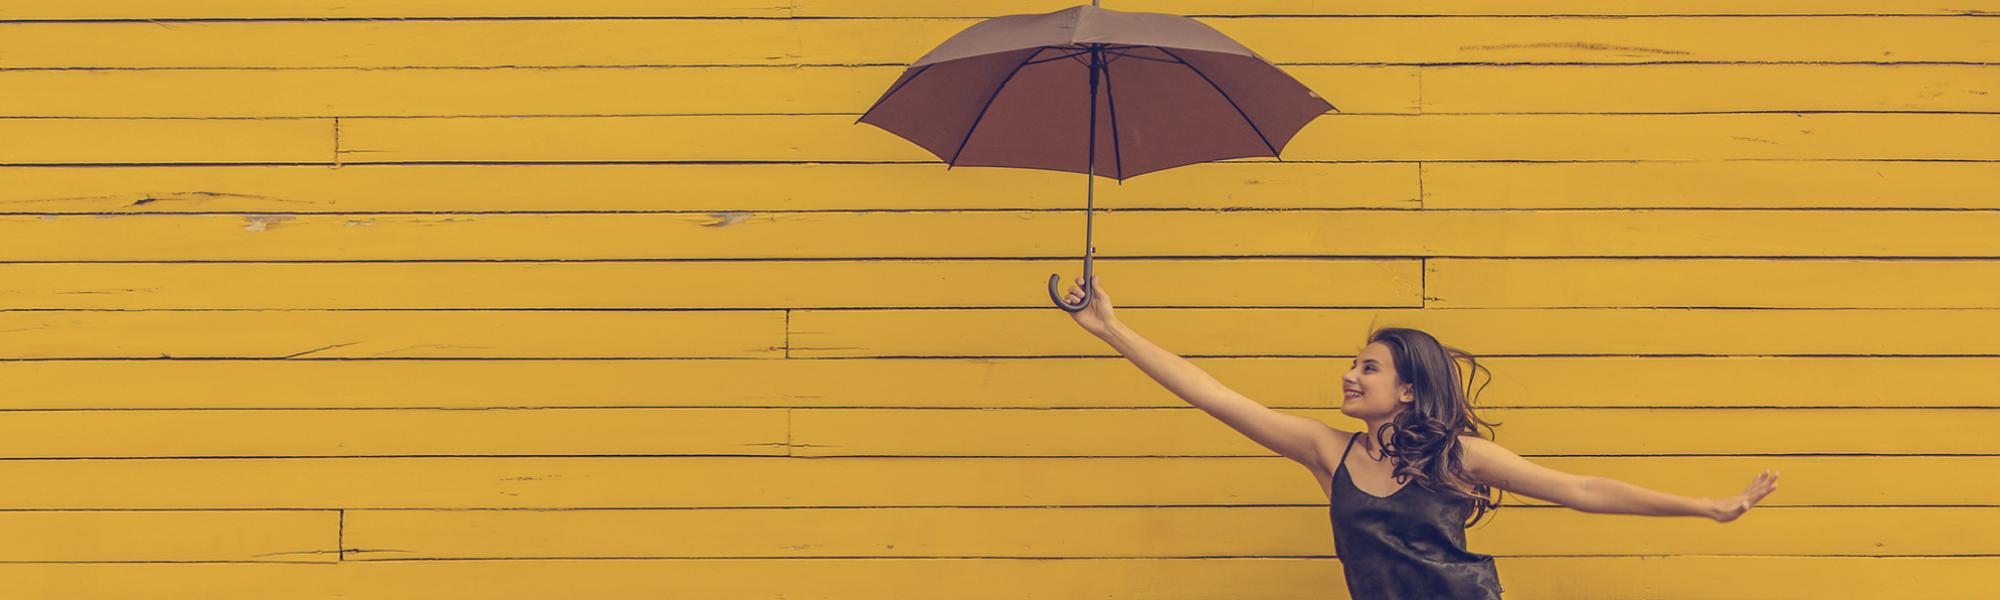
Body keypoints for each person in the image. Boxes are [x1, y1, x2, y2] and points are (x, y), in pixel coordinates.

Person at [1057, 276, 1780, 599]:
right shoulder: (1327, 451)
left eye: (1366, 367)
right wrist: (1112, 328)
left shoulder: (1458, 457)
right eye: (1352, 363)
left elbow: (1582, 488)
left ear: (1407, 388)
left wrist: (1707, 506)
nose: (1348, 375)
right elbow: (1212, 393)